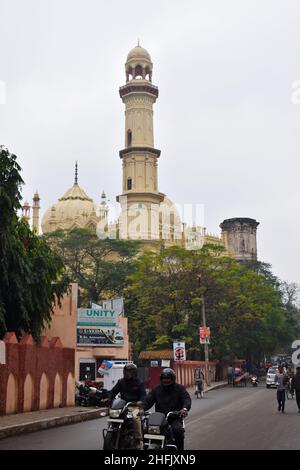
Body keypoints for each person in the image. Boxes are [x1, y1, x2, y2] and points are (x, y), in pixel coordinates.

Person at [142, 368, 191, 451]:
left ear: (173, 379)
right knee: (146, 430)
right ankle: (146, 446)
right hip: (159, 418)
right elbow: (148, 400)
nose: (166, 380)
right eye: (164, 378)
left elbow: (186, 399)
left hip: (174, 417)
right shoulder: (156, 389)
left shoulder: (180, 388)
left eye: (168, 379)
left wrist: (184, 409)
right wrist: (142, 409)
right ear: (161, 379)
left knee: (178, 430)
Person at [108, 363, 146, 449]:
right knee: (112, 415)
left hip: (134, 406)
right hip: (122, 406)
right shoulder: (121, 382)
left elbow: (143, 395)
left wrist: (141, 402)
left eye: (130, 371)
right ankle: (112, 431)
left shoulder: (139, 383)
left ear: (134, 372)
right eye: (126, 371)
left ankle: (138, 440)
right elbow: (113, 391)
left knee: (135, 417)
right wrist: (109, 399)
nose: (127, 373)